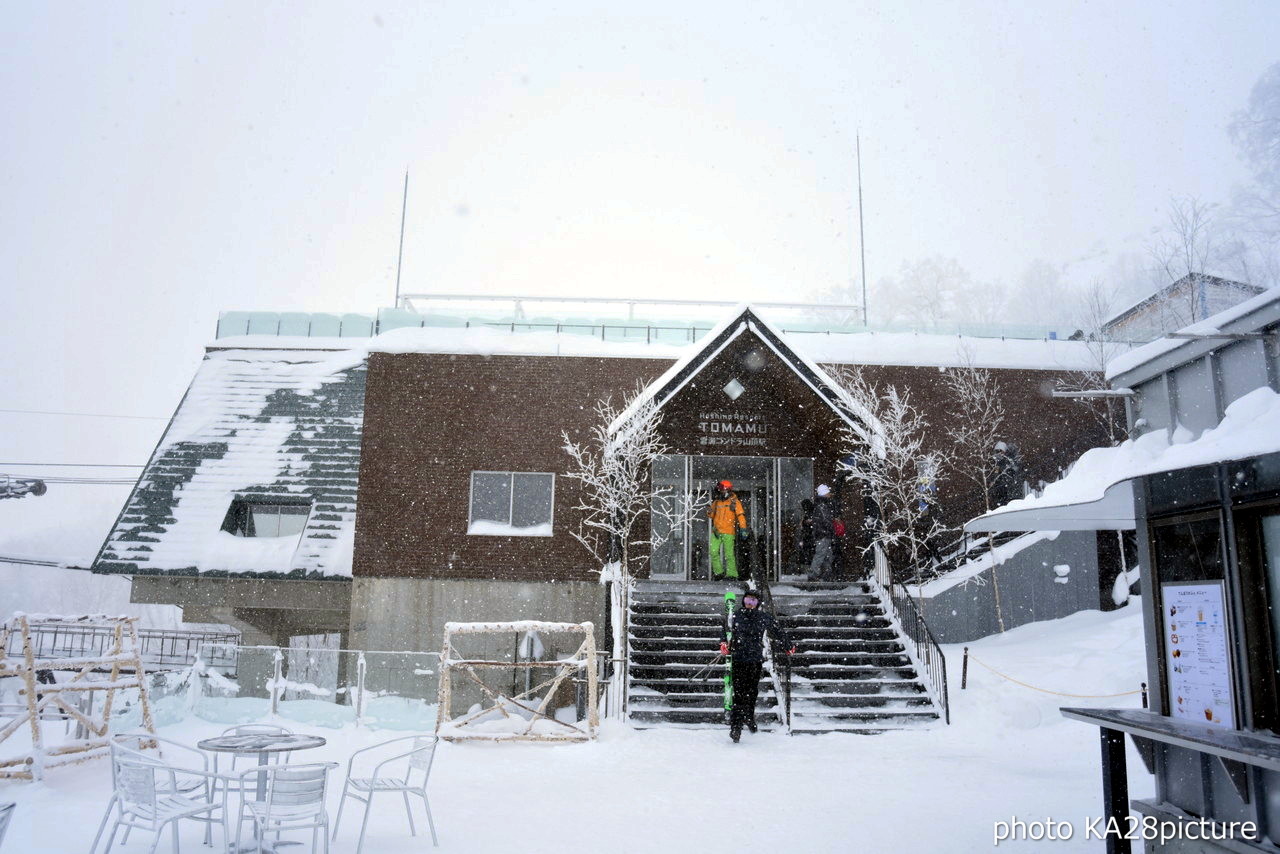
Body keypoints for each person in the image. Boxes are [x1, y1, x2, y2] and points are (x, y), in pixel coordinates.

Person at [719, 591, 794, 742]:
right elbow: (725, 630)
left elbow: (777, 631)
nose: (749, 604)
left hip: (755, 660)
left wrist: (787, 645)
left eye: (753, 601)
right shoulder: (735, 616)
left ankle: (749, 717)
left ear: (758, 604)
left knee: (751, 692)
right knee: (739, 694)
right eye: (747, 600)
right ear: (743, 601)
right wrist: (723, 643)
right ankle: (736, 727)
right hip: (738, 659)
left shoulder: (763, 617)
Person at [707, 479, 748, 580]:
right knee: (713, 551)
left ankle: (732, 574)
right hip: (716, 531)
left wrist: (743, 528)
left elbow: (740, 515)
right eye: (719, 489)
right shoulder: (716, 502)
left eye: (722, 489)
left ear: (727, 489)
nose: (720, 491)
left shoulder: (735, 502)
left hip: (728, 532)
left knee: (729, 554)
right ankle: (718, 573)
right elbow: (711, 515)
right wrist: (709, 511)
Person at [808, 483, 836, 580]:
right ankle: (814, 574)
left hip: (822, 534)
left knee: (827, 555)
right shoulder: (823, 506)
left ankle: (825, 574)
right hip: (823, 534)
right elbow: (826, 521)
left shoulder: (820, 505)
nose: (829, 494)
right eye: (828, 492)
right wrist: (831, 529)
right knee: (822, 555)